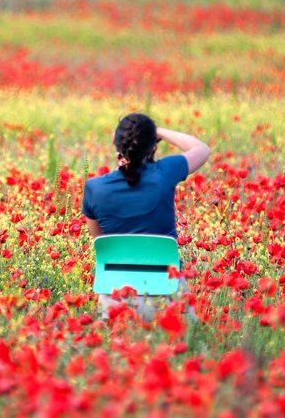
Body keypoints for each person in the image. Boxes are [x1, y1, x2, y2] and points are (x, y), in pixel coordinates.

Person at [81, 113, 210, 319]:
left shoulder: (94, 188)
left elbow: (100, 241)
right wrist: (159, 131)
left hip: (115, 299)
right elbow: (202, 149)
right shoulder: (165, 173)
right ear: (153, 146)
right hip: (168, 296)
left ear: (117, 144)